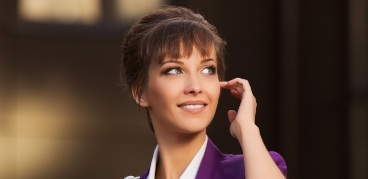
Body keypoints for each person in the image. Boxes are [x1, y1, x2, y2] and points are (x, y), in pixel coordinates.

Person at [121, 6, 287, 179]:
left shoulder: (250, 170)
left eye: (208, 70)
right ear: (140, 92)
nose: (196, 86)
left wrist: (247, 129)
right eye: (174, 70)